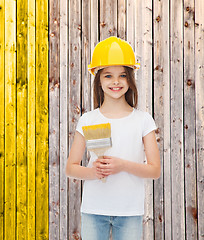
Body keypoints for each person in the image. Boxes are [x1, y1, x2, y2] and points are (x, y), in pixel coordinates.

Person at [65, 36, 161, 240]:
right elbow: (71, 167)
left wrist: (122, 165)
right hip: (93, 210)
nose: (116, 82)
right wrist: (94, 172)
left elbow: (154, 170)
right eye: (108, 75)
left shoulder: (143, 120)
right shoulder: (88, 119)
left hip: (129, 212)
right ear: (98, 80)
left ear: (130, 80)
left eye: (123, 76)